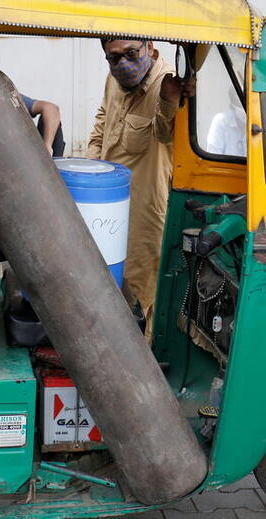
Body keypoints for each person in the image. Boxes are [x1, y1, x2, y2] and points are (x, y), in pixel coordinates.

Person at [87, 39, 195, 338]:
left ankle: (150, 366)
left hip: (144, 209)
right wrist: (90, 171)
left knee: (149, 290)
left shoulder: (168, 83)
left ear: (149, 47)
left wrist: (169, 100)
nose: (122, 64)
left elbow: (164, 134)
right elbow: (102, 121)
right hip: (107, 203)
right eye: (113, 58)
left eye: (131, 54)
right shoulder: (114, 79)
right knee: (109, 280)